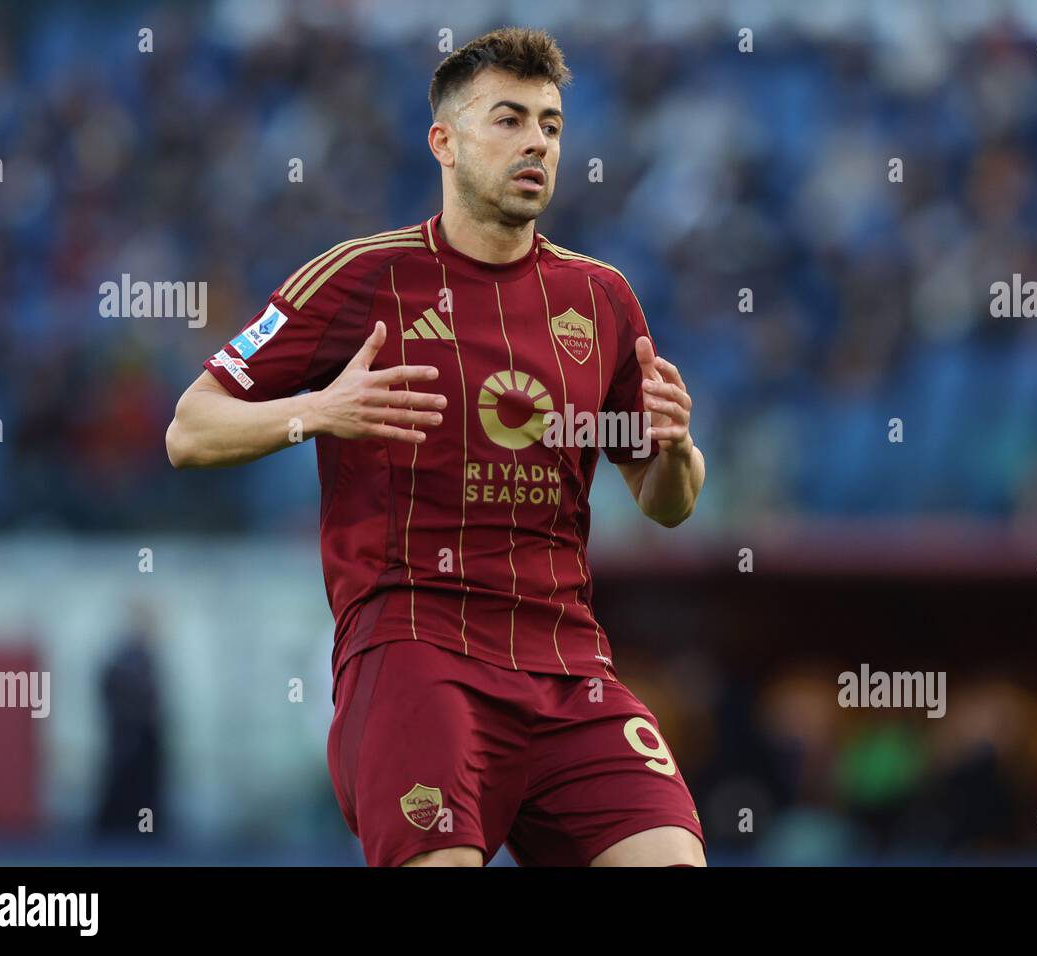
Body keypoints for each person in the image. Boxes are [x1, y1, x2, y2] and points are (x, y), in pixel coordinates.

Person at [166, 27, 706, 867]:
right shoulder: (358, 278)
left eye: (552, 125)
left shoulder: (602, 299)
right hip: (417, 656)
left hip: (570, 664)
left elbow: (666, 502)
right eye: (509, 119)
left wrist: (675, 449)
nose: (536, 141)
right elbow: (189, 429)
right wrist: (319, 408)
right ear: (444, 142)